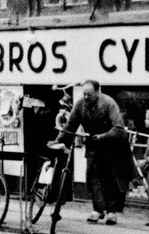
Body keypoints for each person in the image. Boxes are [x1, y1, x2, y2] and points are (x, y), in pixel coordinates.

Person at [56, 80, 134, 225]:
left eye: (89, 94)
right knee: (93, 177)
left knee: (111, 179)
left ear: (98, 91)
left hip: (113, 146)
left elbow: (118, 128)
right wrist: (58, 140)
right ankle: (98, 209)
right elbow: (70, 125)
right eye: (84, 94)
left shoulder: (109, 103)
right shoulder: (80, 104)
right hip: (93, 145)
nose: (86, 97)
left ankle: (112, 212)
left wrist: (103, 136)